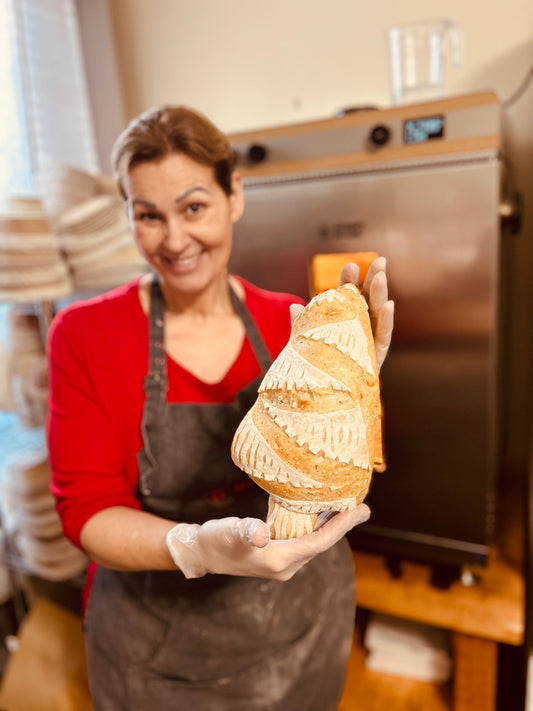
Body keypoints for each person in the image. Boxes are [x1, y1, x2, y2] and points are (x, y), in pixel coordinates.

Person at [46, 105, 394, 711]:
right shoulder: (85, 335)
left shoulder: (290, 324)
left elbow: (324, 492)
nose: (175, 240)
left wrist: (352, 398)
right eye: (148, 215)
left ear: (235, 193)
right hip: (159, 654)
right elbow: (87, 511)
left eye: (193, 207)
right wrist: (197, 547)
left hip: (300, 634)